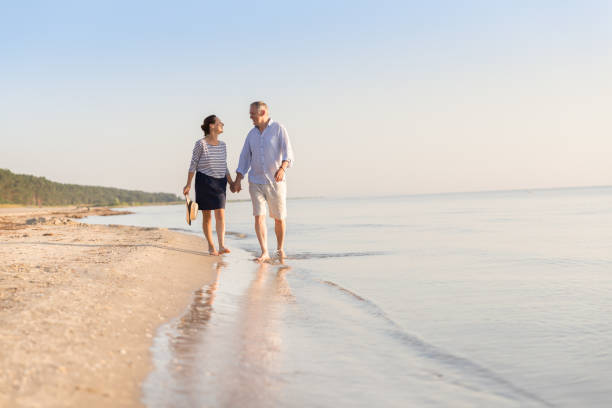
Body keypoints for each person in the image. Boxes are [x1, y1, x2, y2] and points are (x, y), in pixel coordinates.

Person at [234, 101, 294, 262]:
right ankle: (264, 252)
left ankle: (280, 249)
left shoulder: (278, 129)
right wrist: (238, 179)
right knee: (259, 216)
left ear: (262, 113)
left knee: (279, 218)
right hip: (255, 181)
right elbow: (244, 158)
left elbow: (288, 153)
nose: (250, 116)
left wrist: (282, 168)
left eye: (252, 113)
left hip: (276, 181)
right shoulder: (251, 134)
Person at [183, 115, 235, 255]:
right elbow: (193, 164)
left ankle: (222, 245)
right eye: (219, 122)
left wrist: (231, 183)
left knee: (221, 214)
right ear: (211, 126)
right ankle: (211, 246)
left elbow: (224, 166)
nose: (222, 124)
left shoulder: (223, 145)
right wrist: (188, 184)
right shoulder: (201, 144)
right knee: (207, 216)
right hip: (204, 181)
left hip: (220, 183)